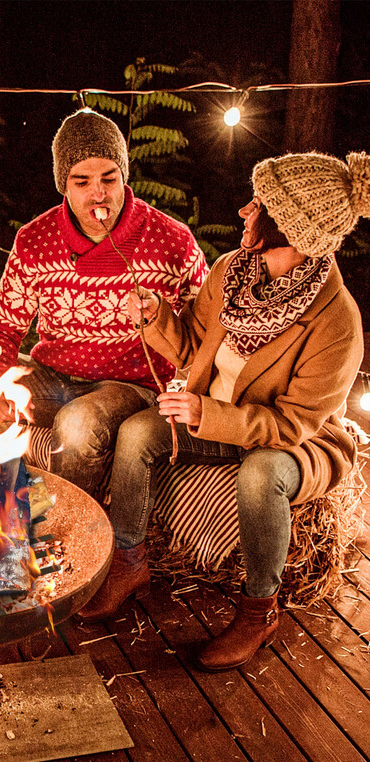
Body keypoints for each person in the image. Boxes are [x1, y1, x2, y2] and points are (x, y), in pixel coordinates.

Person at [79, 151, 368, 672]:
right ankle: (128, 561)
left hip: (300, 442)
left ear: (290, 226)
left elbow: (291, 425)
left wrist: (205, 415)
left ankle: (259, 610)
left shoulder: (336, 322)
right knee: (139, 431)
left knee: (260, 474)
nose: (243, 210)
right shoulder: (233, 272)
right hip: (216, 413)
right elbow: (192, 347)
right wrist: (155, 316)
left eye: (259, 204)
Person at [0, 109, 207, 502]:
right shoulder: (35, 241)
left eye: (109, 178)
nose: (98, 193)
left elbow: (204, 331)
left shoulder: (170, 240)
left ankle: (73, 529)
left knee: (77, 423)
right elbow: (1, 325)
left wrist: (163, 325)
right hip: (53, 378)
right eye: (82, 181)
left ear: (124, 176)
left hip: (129, 387)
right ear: (63, 186)